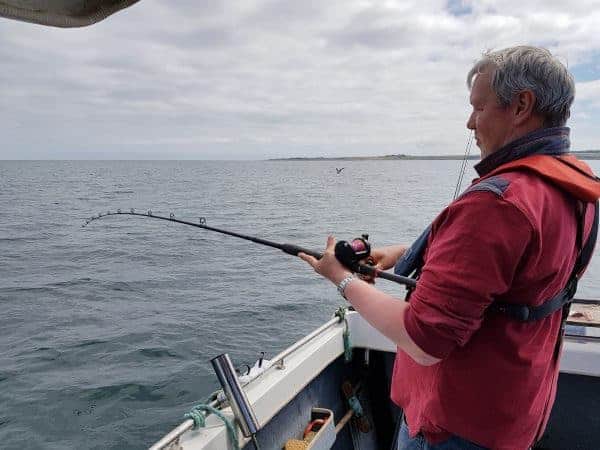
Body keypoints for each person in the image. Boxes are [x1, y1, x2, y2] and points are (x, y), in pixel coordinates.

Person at [299, 46, 600, 450]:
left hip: (456, 425)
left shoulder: (499, 204)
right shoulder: (575, 189)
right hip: (514, 410)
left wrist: (342, 279)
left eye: (479, 107)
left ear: (521, 106)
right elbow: (514, 270)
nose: (470, 122)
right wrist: (400, 255)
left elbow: (424, 341)